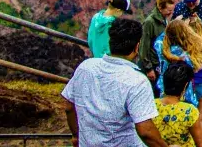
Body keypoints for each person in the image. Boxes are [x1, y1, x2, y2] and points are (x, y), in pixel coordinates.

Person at [62, 18, 170, 147]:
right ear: (137, 47)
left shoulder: (85, 67)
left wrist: (76, 136)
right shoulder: (137, 81)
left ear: (110, 41)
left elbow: (69, 107)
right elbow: (146, 131)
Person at [139, 0, 176, 96]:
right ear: (160, 8)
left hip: (161, 63)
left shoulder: (165, 19)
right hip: (153, 65)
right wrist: (148, 68)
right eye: (169, 10)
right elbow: (144, 47)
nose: (171, 13)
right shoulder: (150, 23)